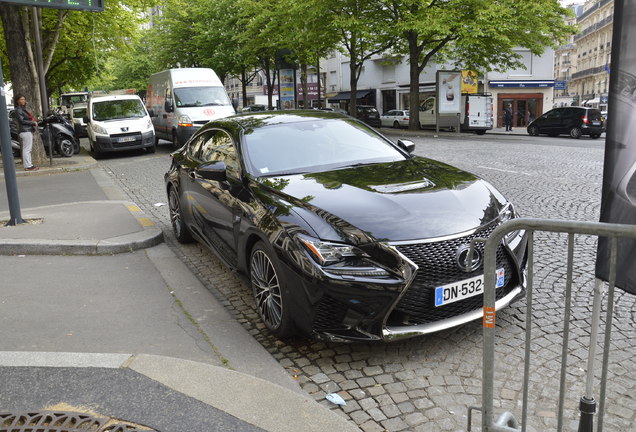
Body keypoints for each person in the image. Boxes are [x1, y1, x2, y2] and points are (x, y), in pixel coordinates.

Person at [14, 94, 38, 171]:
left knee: (27, 149)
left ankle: (29, 164)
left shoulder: (21, 109)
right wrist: (32, 123)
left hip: (26, 130)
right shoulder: (18, 110)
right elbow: (22, 121)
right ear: (17, 101)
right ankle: (28, 166)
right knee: (27, 149)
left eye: (24, 99)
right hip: (25, 130)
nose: (23, 101)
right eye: (21, 99)